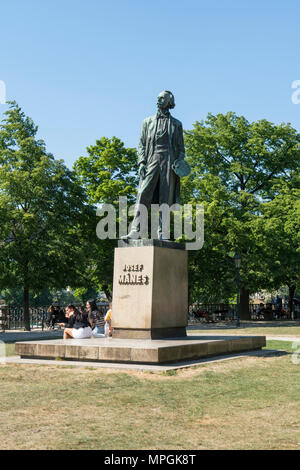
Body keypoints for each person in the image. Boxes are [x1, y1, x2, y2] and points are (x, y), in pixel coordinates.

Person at [121, 90, 188, 240]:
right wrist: (141, 162)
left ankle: (162, 233)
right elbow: (141, 145)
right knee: (143, 194)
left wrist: (178, 162)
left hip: (169, 163)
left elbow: (181, 149)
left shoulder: (177, 124)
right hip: (152, 160)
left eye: (162, 98)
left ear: (169, 102)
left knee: (165, 198)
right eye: (158, 98)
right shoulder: (147, 122)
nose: (158, 100)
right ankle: (136, 230)